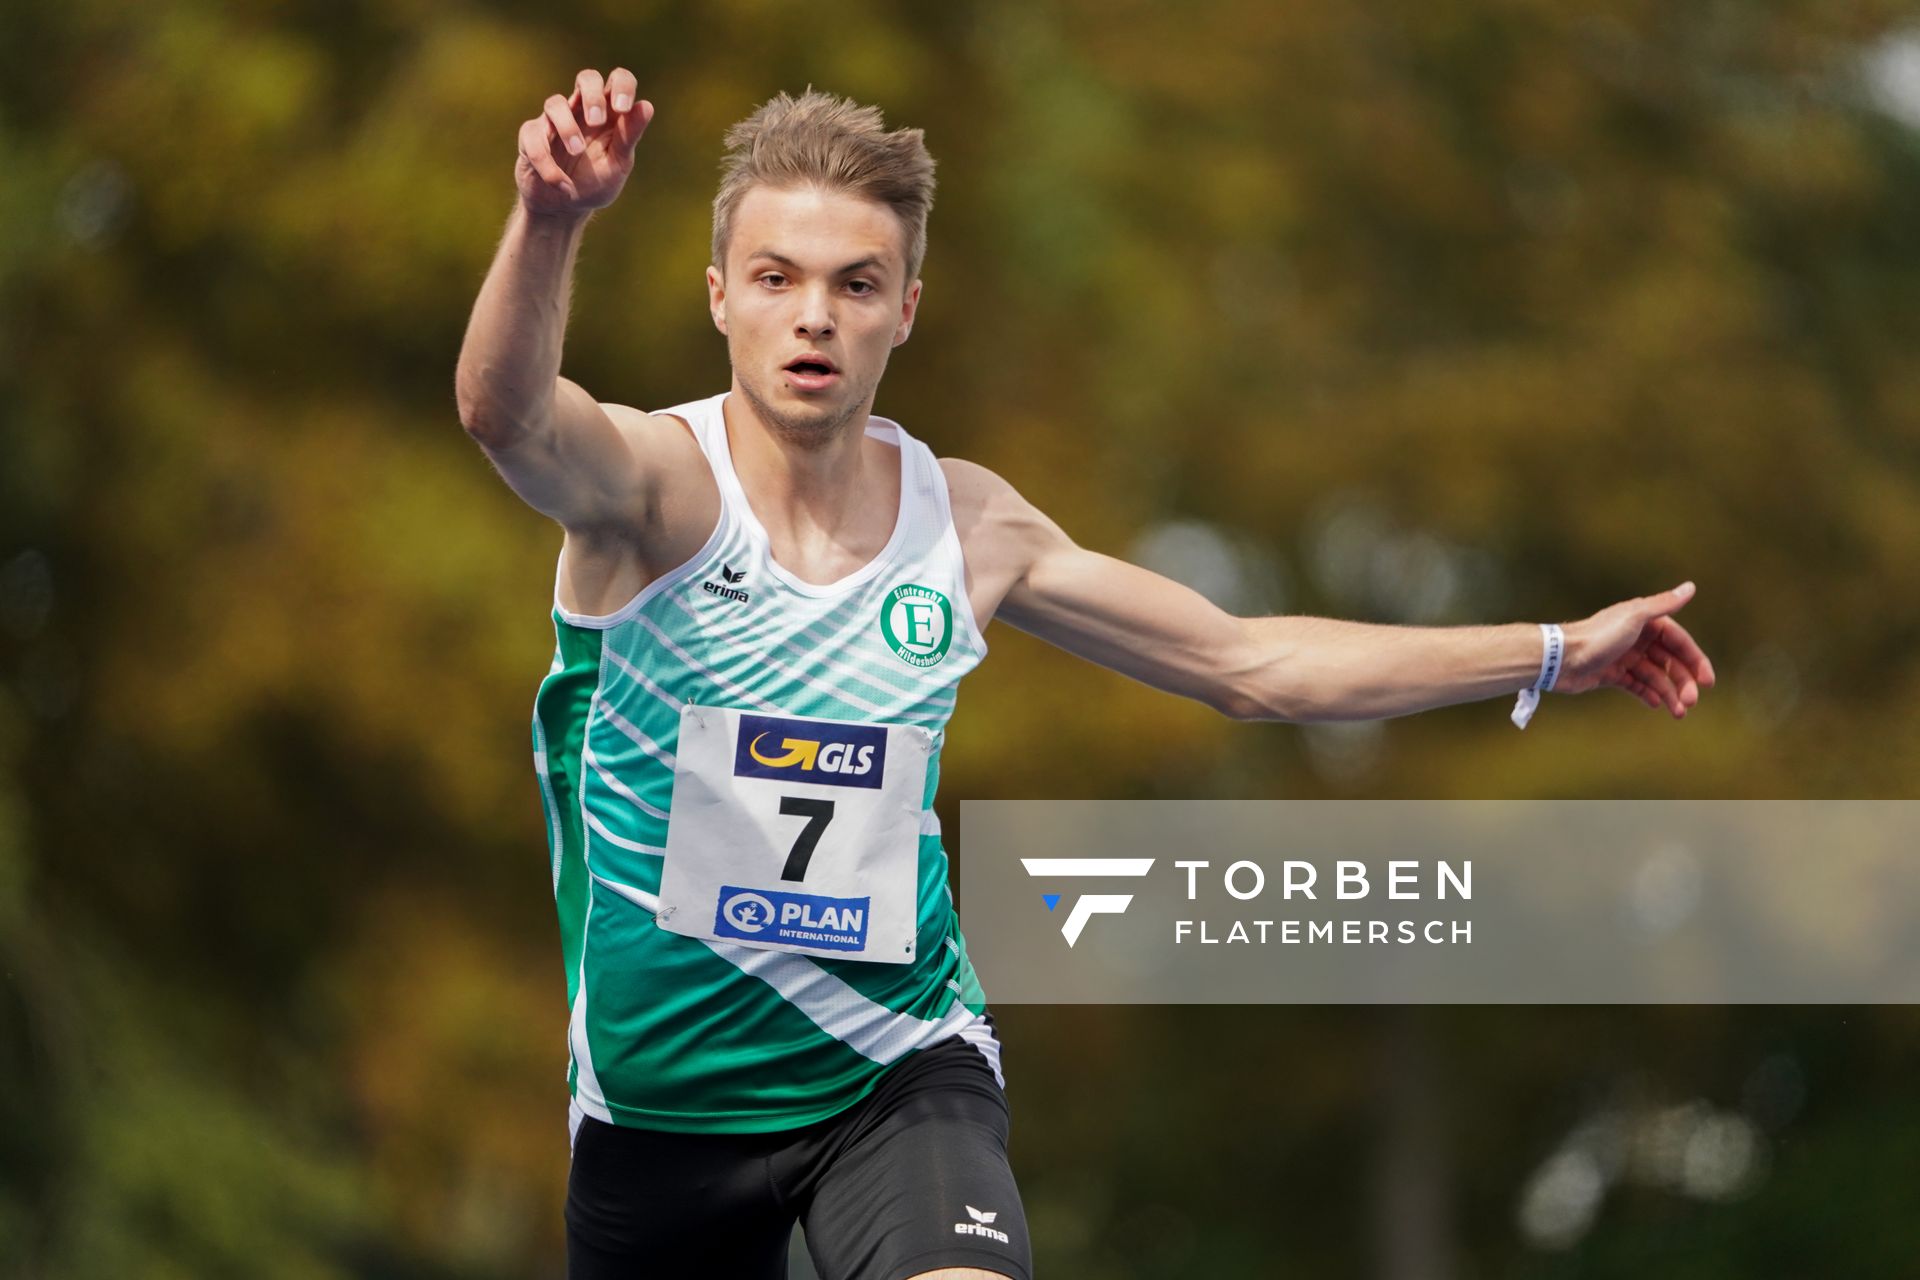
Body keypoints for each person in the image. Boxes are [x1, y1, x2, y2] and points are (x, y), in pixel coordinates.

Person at [453, 69, 1715, 1280]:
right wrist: (550, 220)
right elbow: (505, 415)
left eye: (857, 283)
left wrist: (1552, 650)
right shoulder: (653, 494)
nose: (816, 317)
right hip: (661, 1112)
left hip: (893, 1069)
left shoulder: (970, 527)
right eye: (779, 280)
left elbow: (1248, 659)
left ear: (907, 309)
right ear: (721, 295)